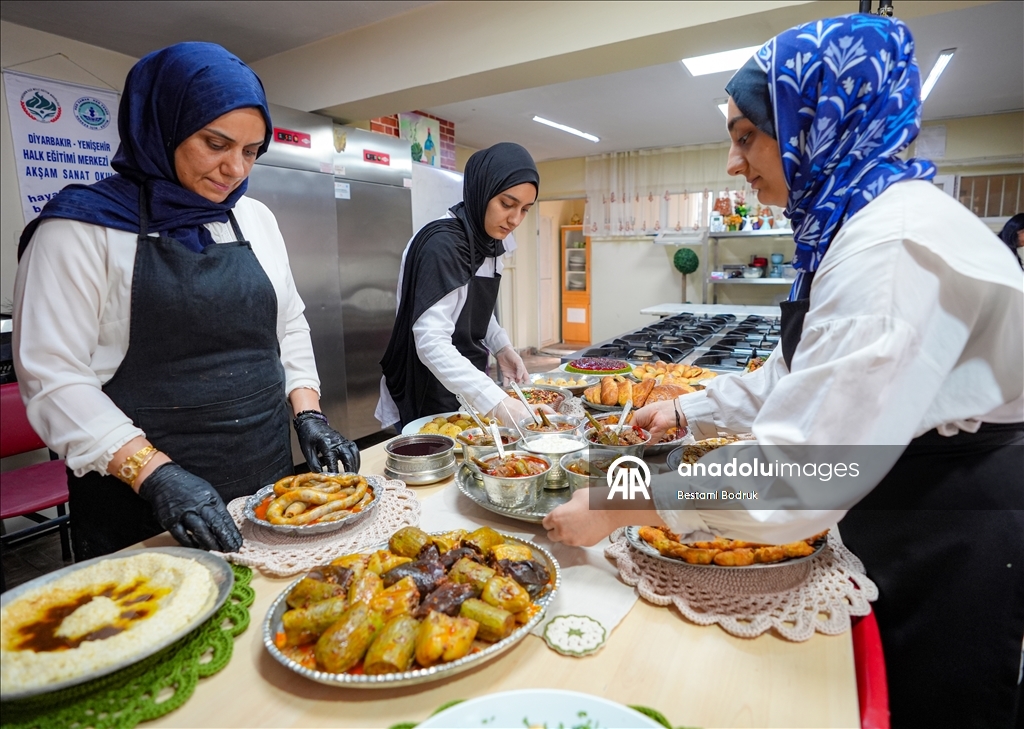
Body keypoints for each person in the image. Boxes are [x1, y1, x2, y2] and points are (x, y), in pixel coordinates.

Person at [543, 15, 1023, 726]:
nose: (733, 164)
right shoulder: (851, 219)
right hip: (901, 488)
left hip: (948, 521)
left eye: (745, 136)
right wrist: (688, 411)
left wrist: (620, 502)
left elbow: (806, 471)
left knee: (928, 698)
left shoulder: (889, 248)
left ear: (815, 121)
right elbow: (795, 371)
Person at [13, 43, 359, 560]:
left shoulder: (254, 219)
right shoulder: (79, 229)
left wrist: (308, 413)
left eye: (250, 152)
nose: (235, 169)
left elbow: (287, 324)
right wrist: (156, 475)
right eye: (215, 144)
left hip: (263, 476)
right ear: (162, 127)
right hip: (140, 497)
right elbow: (53, 378)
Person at [377, 143, 543, 430]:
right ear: (483, 191)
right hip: (428, 386)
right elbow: (430, 341)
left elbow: (473, 308)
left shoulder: (489, 243)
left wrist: (502, 347)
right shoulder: (441, 245)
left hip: (468, 383)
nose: (515, 219)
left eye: (525, 209)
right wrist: (497, 401)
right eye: (507, 204)